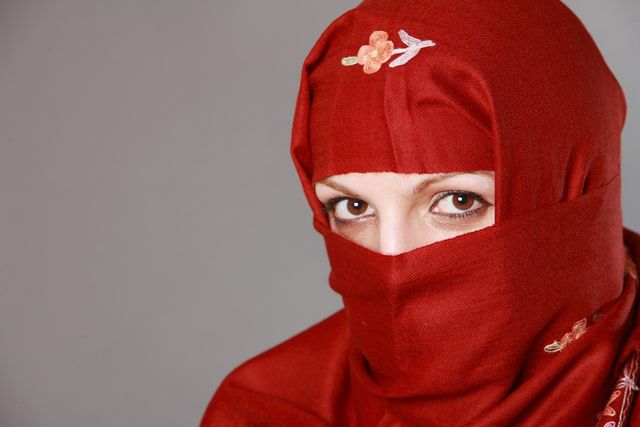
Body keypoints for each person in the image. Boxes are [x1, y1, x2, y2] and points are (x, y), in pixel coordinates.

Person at [201, 0, 640, 425]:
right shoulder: (267, 413)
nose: (392, 262)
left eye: (457, 201)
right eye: (353, 207)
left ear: (579, 201)